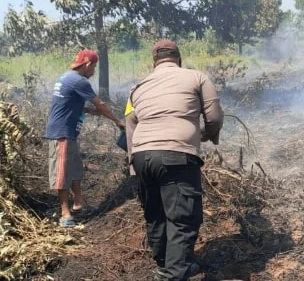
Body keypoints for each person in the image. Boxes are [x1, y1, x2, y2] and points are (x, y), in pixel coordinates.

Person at [125, 39, 224, 281]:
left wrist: (132, 165)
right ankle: (174, 274)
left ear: (154, 62)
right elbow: (214, 117)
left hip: (141, 156)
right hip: (176, 155)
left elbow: (130, 123)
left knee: (155, 214)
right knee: (182, 217)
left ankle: (165, 265)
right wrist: (208, 135)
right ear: (179, 58)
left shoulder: (138, 87)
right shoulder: (197, 77)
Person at [44, 49, 125, 227]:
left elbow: (66, 104)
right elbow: (101, 103)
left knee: (74, 168)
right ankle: (65, 214)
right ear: (87, 64)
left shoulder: (67, 77)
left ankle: (79, 203)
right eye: (94, 66)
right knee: (62, 172)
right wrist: (118, 122)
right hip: (62, 133)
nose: (94, 71)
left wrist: (87, 110)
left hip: (68, 131)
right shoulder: (79, 81)